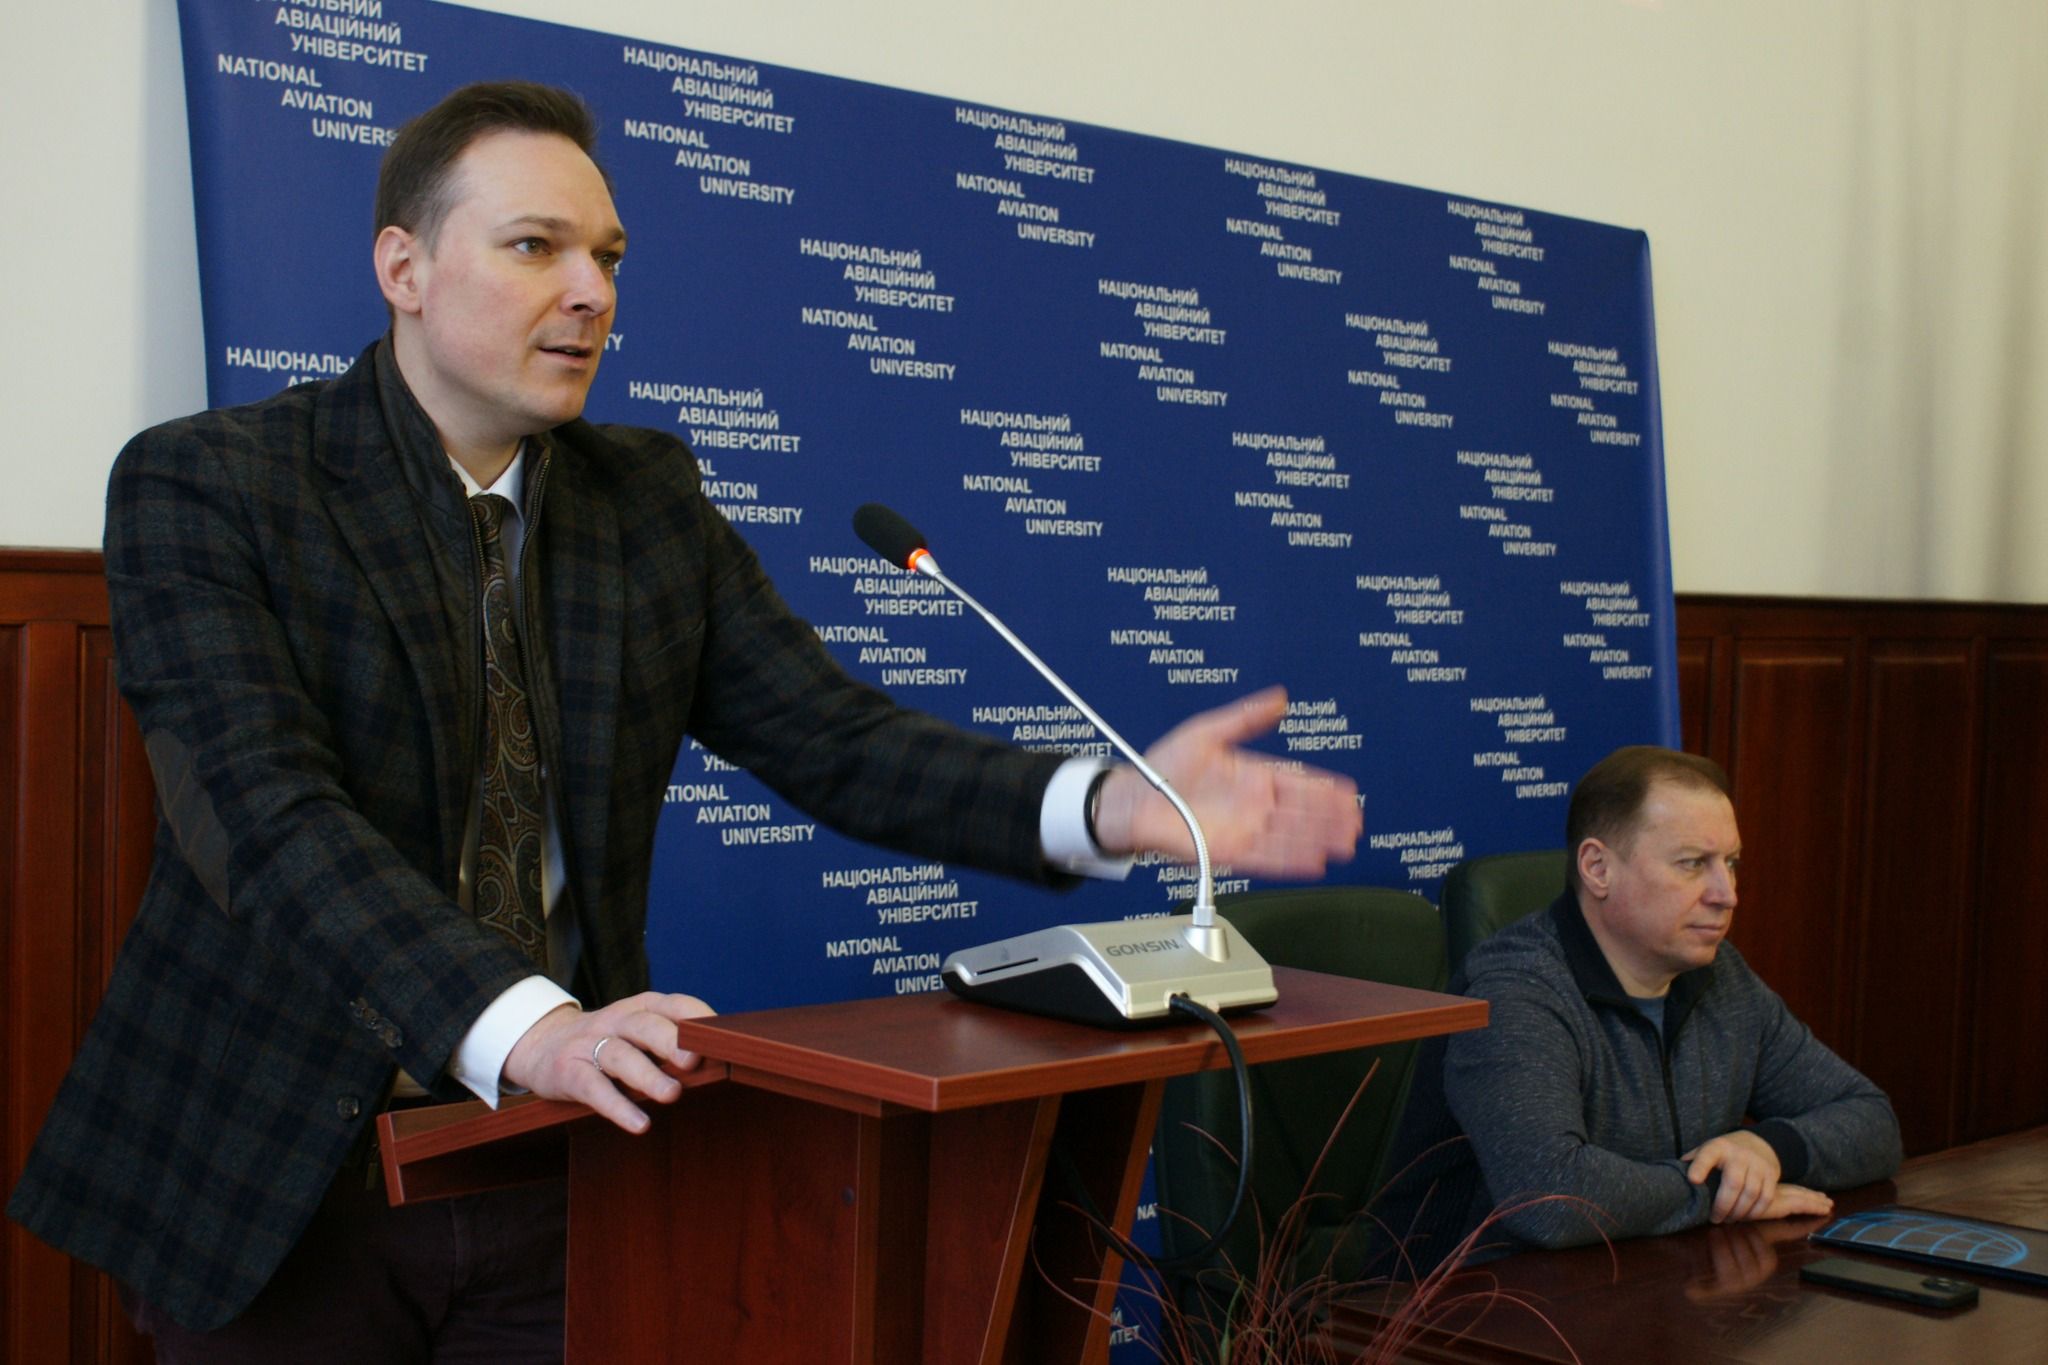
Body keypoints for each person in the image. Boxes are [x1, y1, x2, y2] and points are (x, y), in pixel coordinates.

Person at [5, 81, 1362, 1359]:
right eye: (535, 247)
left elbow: (830, 737)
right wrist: (526, 1025)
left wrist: (1108, 806)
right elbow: (262, 813)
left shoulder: (642, 498)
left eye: (607, 256)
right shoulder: (210, 483)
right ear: (403, 269)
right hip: (276, 1172)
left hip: (557, 1155)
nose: (590, 292)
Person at [1379, 746, 1901, 1274]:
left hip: (1651, 1281)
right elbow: (1550, 1200)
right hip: (1456, 1304)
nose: (1727, 894)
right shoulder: (1516, 988)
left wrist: (1768, 1149)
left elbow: (1872, 1120)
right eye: (1693, 864)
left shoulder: (1721, 978)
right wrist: (1722, 1189)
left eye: (1731, 863)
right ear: (1598, 868)